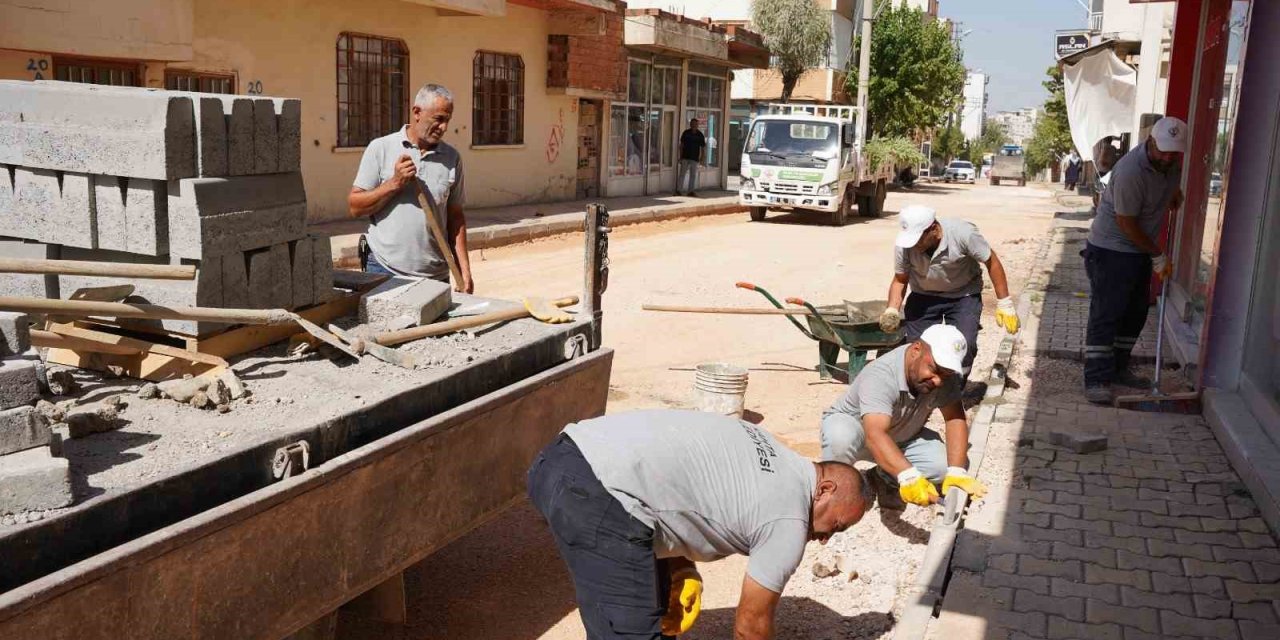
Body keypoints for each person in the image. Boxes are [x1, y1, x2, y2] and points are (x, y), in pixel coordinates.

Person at [528, 409, 869, 639]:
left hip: (560, 458)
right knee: (628, 632)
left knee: (652, 606)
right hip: (596, 494)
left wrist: (679, 567)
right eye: (836, 526)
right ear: (825, 489)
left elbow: (680, 485)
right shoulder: (790, 516)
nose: (825, 538)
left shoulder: (777, 453)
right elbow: (750, 626)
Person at [820, 325, 988, 509]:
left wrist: (956, 472)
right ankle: (831, 495)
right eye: (934, 369)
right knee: (840, 436)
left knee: (942, 466)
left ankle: (881, 477)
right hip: (860, 434)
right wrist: (909, 476)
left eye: (945, 374)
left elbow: (954, 418)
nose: (938, 380)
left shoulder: (943, 374)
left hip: (901, 435)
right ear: (916, 350)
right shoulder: (882, 375)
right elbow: (875, 434)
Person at [1082, 117, 1186, 404]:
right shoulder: (1130, 171)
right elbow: (1127, 223)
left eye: (1172, 153)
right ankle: (1097, 379)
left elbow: (1168, 185)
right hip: (1111, 249)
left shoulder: (1171, 164)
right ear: (1150, 141)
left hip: (1138, 250)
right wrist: (1157, 254)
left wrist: (1173, 194)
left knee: (1135, 313)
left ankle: (1117, 369)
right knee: (1107, 313)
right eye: (1162, 150)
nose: (1166, 157)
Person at [348, 83, 475, 293]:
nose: (443, 127)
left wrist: (465, 270)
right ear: (417, 112)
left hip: (435, 276)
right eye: (439, 119)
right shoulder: (381, 148)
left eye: (447, 121)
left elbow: (455, 217)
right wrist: (394, 183)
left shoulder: (452, 158)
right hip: (384, 270)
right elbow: (355, 206)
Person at [878, 205, 1019, 375]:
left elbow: (992, 262)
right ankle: (921, 393)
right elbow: (900, 279)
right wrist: (892, 309)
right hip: (923, 295)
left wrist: (1005, 303)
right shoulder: (905, 244)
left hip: (963, 295)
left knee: (964, 345)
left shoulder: (963, 234)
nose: (914, 244)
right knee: (916, 348)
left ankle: (956, 388)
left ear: (934, 229)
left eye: (918, 239)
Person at [678, 118, 706, 197]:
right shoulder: (686, 133)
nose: (694, 125)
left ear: (697, 125)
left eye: (695, 124)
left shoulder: (700, 135)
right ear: (690, 124)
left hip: (694, 158)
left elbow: (703, 147)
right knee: (682, 174)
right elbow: (681, 145)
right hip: (685, 157)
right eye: (692, 124)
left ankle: (690, 191)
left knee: (693, 175)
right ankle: (679, 190)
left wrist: (702, 157)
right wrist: (680, 156)